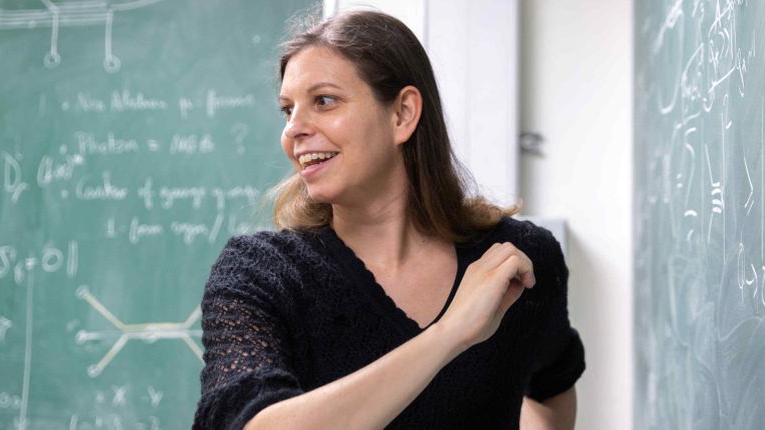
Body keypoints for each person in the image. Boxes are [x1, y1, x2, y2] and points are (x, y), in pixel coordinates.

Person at [192, 8, 585, 430]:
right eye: (288, 110)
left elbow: (553, 386)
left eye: (324, 101)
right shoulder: (258, 276)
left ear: (402, 114)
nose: (293, 130)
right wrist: (451, 332)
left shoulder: (515, 262)